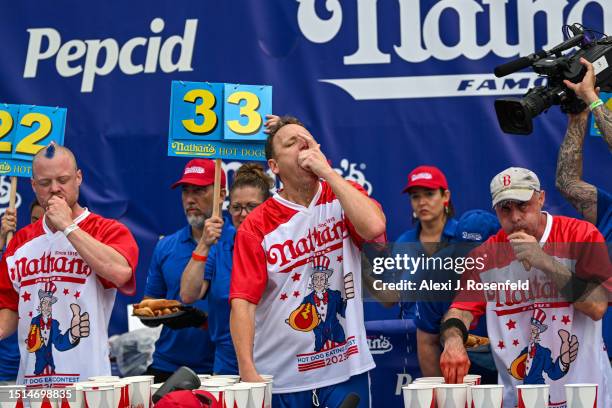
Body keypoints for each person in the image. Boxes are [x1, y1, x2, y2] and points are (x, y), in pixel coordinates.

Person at [229, 116, 386, 407]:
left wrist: (328, 172)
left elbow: (374, 227)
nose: (302, 143)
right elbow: (243, 303)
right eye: (291, 142)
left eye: (308, 139)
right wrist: (247, 369)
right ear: (274, 167)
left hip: (346, 370)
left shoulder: (342, 194)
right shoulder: (256, 225)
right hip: (282, 377)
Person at [439, 167, 611, 407]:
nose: (516, 217)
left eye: (523, 205)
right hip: (517, 398)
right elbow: (460, 310)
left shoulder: (580, 234)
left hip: (583, 396)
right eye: (505, 209)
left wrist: (545, 261)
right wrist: (453, 341)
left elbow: (597, 306)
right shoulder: (484, 256)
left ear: (541, 198)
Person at [0, 143, 139, 386]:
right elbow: (9, 311)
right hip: (33, 387)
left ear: (78, 178)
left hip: (89, 384)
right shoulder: (20, 242)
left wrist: (68, 226)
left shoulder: (106, 230)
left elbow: (121, 272)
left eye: (62, 180)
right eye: (45, 183)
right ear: (33, 186)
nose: (55, 189)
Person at [180, 163, 273, 375]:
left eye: (252, 206)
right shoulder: (219, 245)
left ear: (268, 207)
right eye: (236, 207)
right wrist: (204, 244)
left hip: (276, 358)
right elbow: (187, 294)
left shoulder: (282, 245)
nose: (243, 214)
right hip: (228, 365)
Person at [144, 159, 225, 382]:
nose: (190, 199)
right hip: (168, 366)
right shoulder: (166, 245)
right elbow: (147, 305)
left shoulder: (238, 242)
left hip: (222, 368)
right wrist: (165, 312)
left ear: (221, 194)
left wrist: (207, 320)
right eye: (185, 191)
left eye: (199, 190)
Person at [556, 57, 612, 363]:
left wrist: (593, 98)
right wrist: (578, 114)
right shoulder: (607, 211)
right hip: (600, 356)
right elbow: (566, 182)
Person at [414, 209, 499, 382]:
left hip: (511, 362)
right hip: (459, 368)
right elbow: (427, 342)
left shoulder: (520, 268)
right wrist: (446, 397)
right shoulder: (435, 271)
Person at [395, 165, 457, 318]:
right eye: (415, 196)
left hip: (457, 333)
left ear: (446, 196)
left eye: (429, 194)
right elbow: (391, 299)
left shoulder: (462, 236)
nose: (422, 202)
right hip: (411, 333)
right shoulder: (403, 243)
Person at [0, 200, 47, 385]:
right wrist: (2, 237)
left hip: (38, 370)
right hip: (5, 370)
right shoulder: (17, 254)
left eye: (47, 220)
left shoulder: (68, 260)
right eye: (35, 219)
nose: (40, 226)